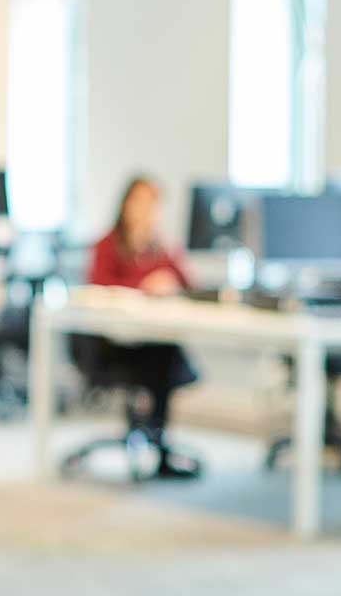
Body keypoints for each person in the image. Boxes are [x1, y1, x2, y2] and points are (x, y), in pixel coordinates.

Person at [82, 175, 201, 479]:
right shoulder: (106, 245)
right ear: (125, 204)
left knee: (166, 350)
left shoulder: (158, 246)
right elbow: (100, 287)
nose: (146, 210)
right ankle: (156, 440)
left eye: (153, 204)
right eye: (141, 202)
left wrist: (168, 275)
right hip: (112, 344)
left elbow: (188, 284)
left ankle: (160, 445)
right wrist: (143, 286)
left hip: (150, 341)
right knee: (162, 355)